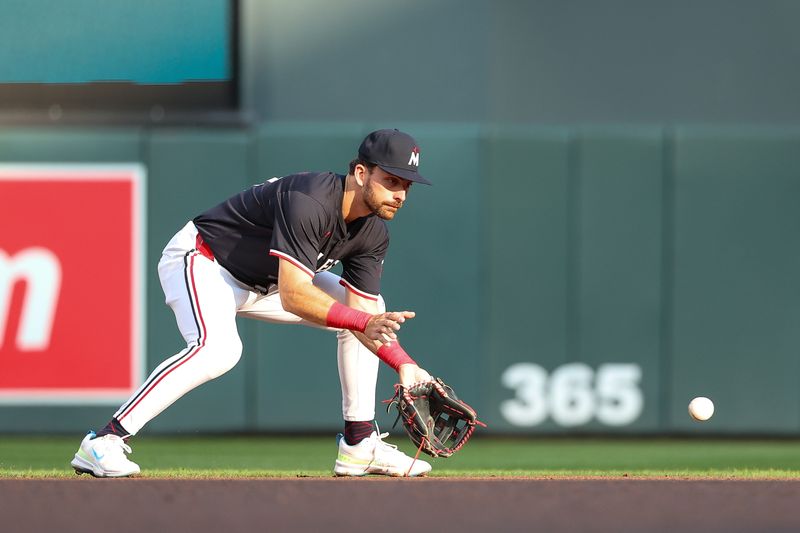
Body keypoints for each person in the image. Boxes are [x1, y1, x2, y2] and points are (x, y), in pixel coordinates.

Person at [71, 129, 435, 477]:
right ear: (360, 172)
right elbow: (295, 296)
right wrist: (361, 323)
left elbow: (366, 316)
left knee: (367, 312)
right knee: (219, 351)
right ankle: (104, 440)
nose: (400, 193)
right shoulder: (310, 199)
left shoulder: (372, 233)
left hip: (266, 282)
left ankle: (359, 444)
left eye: (406, 185)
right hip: (205, 261)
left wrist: (405, 365)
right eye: (391, 180)